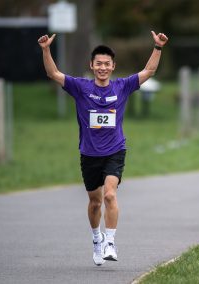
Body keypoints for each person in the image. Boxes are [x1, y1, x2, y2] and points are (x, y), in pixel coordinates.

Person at [38, 31, 168, 266]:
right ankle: (96, 239)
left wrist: (157, 47)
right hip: (89, 154)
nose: (103, 67)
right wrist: (46, 49)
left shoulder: (122, 86)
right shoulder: (80, 87)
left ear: (113, 66)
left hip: (115, 150)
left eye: (107, 64)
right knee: (95, 202)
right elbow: (53, 73)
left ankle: (110, 241)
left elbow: (148, 71)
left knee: (110, 195)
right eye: (99, 63)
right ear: (92, 65)